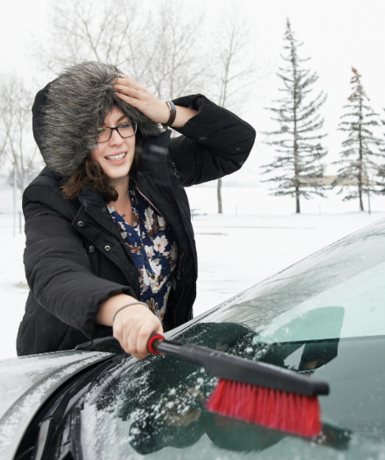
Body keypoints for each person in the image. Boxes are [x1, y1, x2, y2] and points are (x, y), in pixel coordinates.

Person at [16, 62, 255, 359]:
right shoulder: (50, 195)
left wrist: (166, 111)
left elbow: (235, 143)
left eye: (124, 124)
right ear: (75, 141)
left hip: (152, 355)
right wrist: (122, 309)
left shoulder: (155, 167)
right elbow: (54, 272)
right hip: (74, 367)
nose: (117, 140)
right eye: (99, 131)